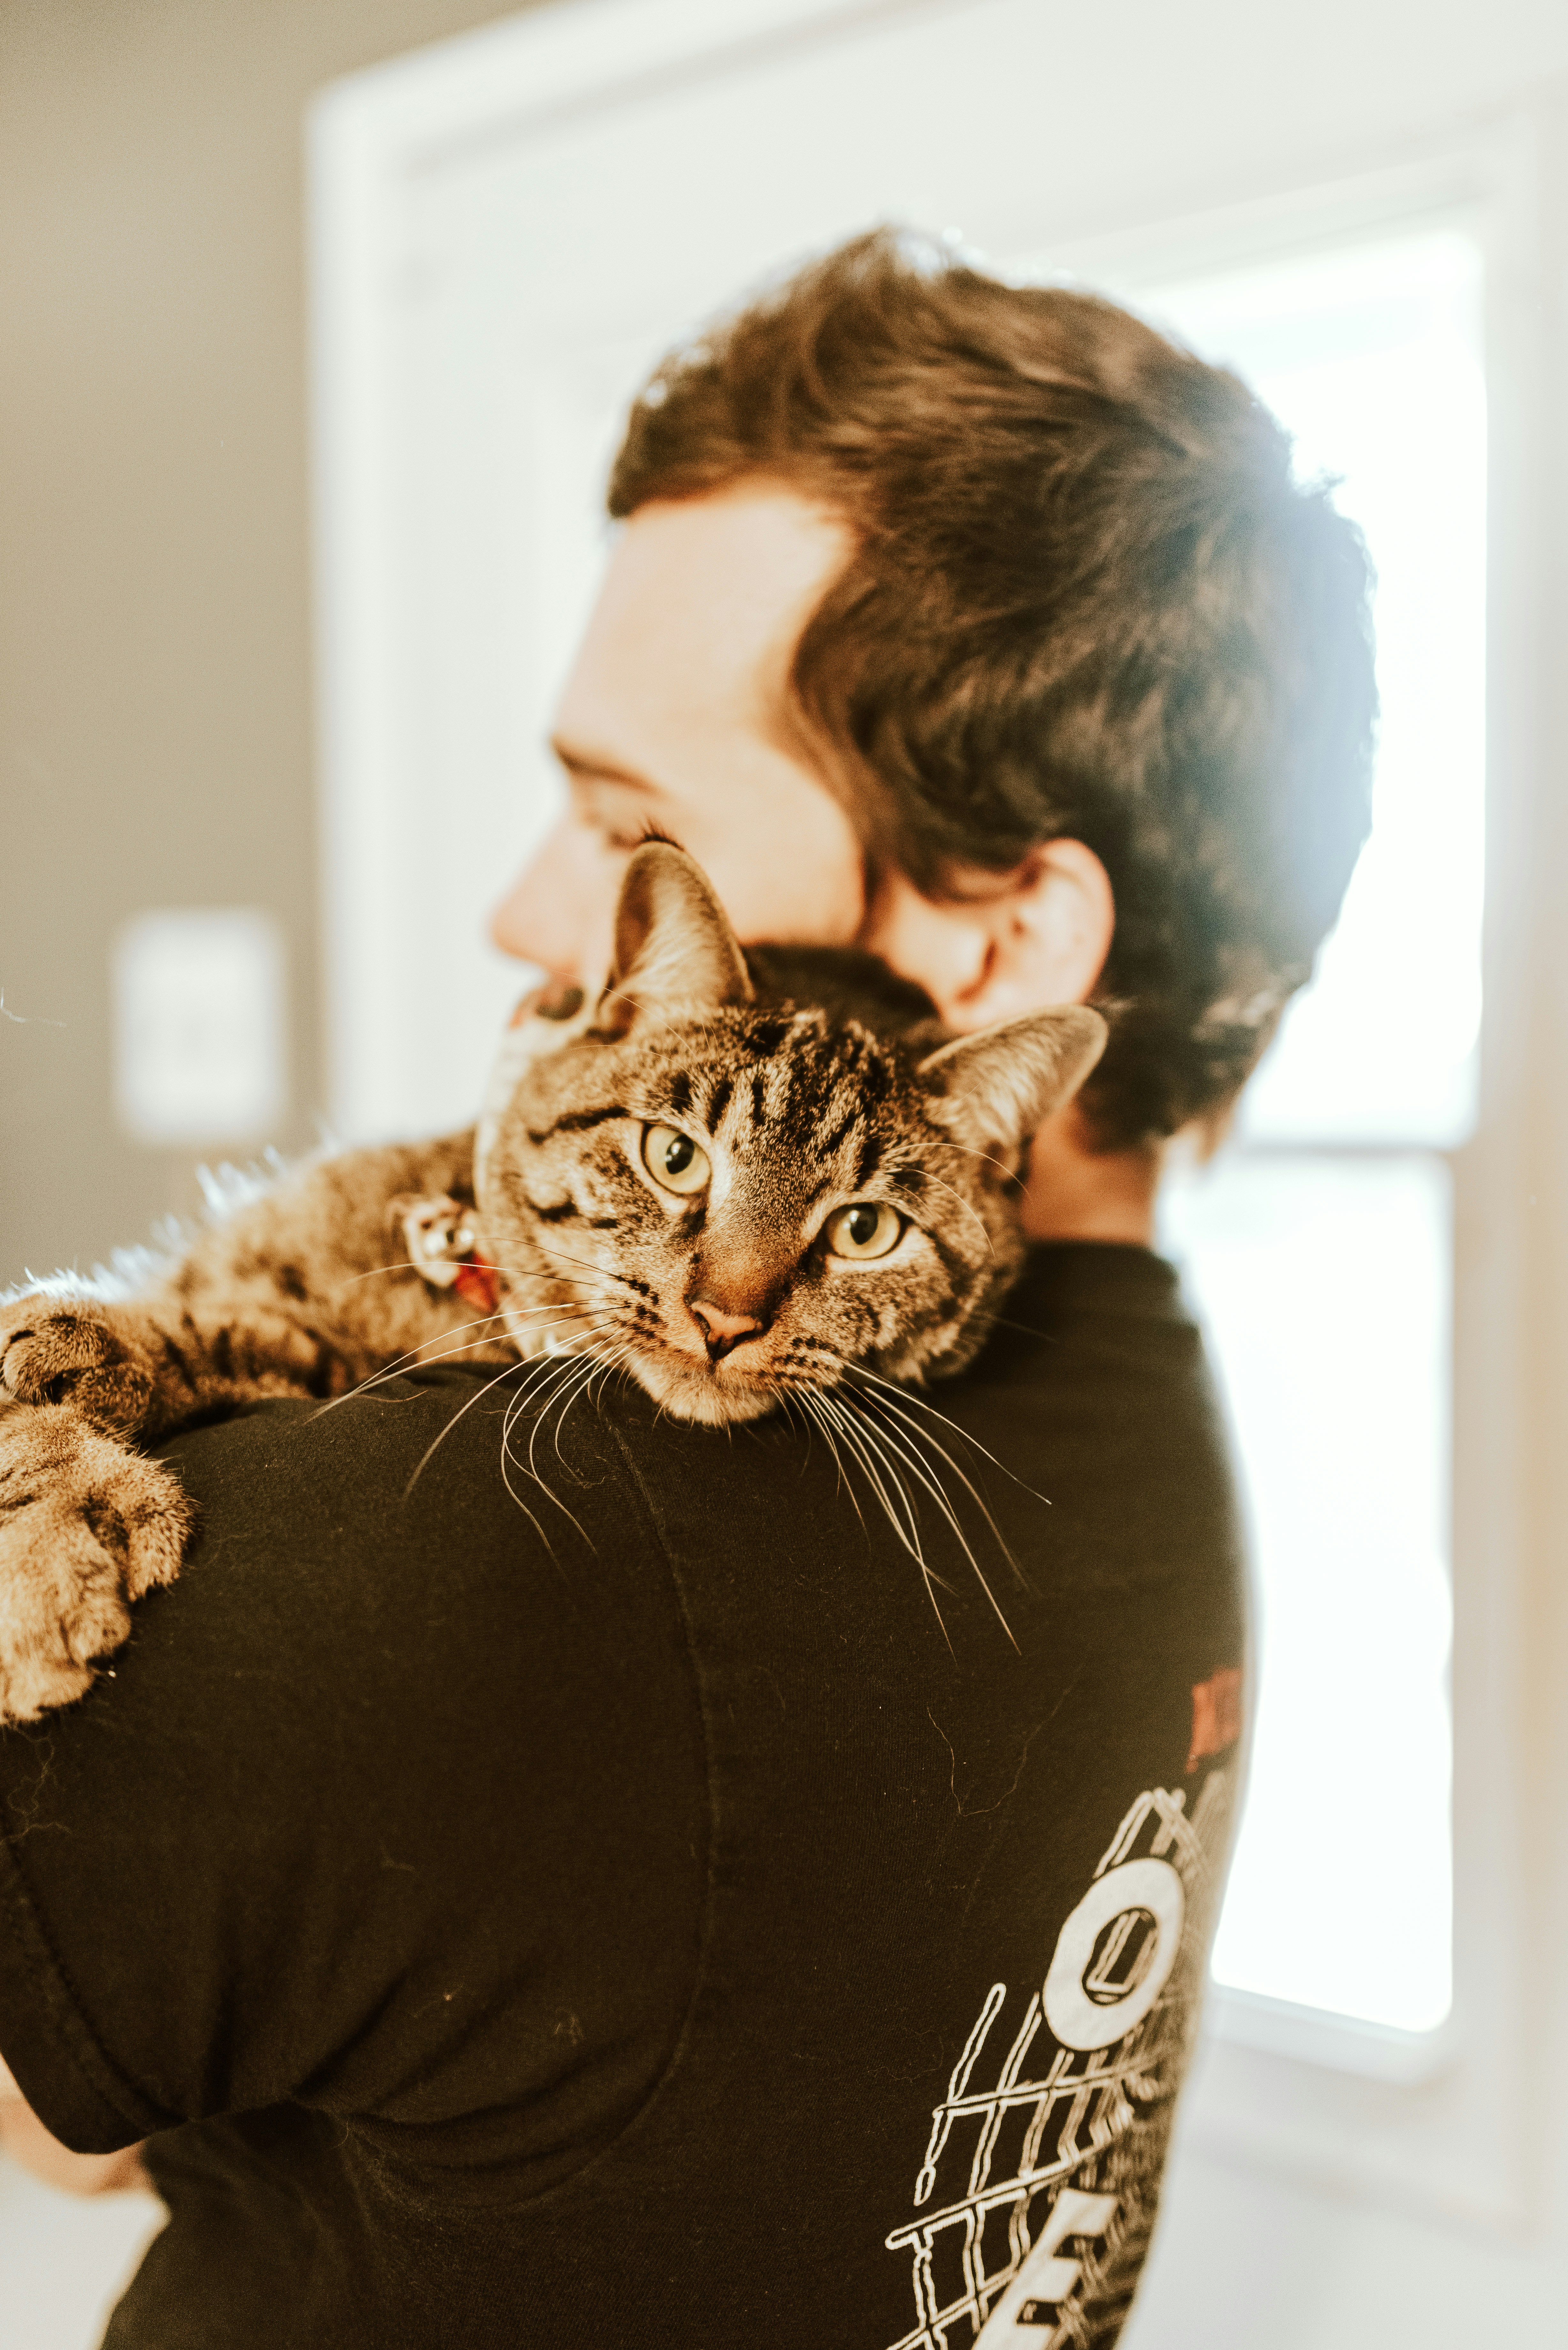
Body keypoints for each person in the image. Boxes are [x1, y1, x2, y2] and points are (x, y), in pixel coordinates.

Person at [0, 229, 1374, 2346]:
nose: (521, 911)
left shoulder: (462, 1563)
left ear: (1002, 954)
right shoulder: (1144, 1416)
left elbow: (62, 2120)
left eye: (627, 817)